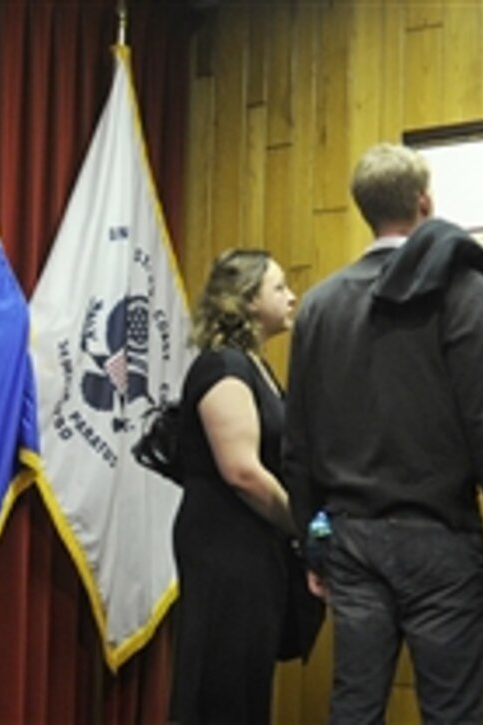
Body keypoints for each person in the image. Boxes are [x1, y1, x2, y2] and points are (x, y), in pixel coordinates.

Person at [283, 143, 483, 725]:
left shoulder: (319, 306)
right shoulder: (462, 290)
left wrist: (312, 543)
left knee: (355, 711)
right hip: (441, 538)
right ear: (424, 202)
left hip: (349, 540)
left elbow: (298, 442)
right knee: (451, 714)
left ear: (366, 211)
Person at [171, 248, 320, 724]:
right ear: (247, 301)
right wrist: (302, 525)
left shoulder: (254, 366)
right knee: (224, 683)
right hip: (225, 548)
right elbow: (242, 471)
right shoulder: (222, 367)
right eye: (279, 288)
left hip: (252, 547)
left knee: (246, 682)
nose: (292, 297)